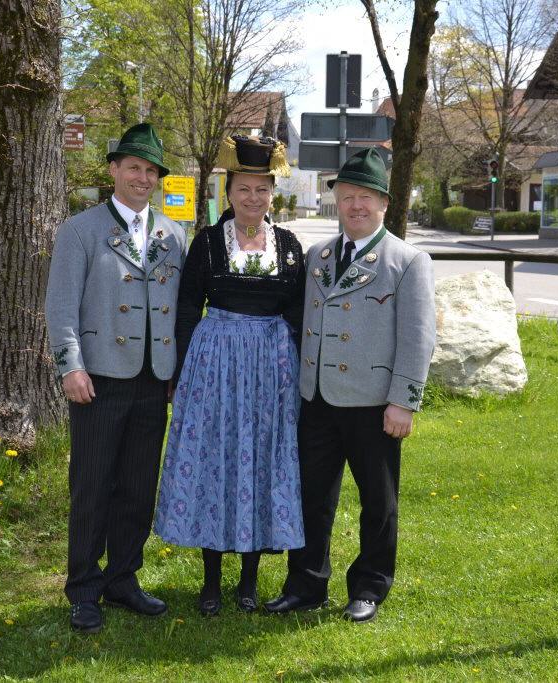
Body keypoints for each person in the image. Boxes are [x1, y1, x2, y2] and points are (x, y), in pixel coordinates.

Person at [265, 148, 436, 623]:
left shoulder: (408, 261)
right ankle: (306, 584)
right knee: (311, 497)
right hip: (317, 399)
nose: (356, 206)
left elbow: (418, 338)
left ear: (383, 202)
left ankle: (369, 587)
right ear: (335, 202)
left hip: (373, 403)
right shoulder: (318, 255)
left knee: (377, 502)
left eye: (366, 197)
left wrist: (404, 402)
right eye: (347, 197)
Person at [154, 135, 305, 616]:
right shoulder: (207, 244)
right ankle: (212, 581)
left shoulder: (289, 246)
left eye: (262, 189)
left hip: (270, 371)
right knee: (216, 463)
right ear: (229, 191)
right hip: (215, 366)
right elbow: (185, 308)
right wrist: (178, 372)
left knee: (261, 464)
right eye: (244, 189)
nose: (253, 198)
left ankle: (250, 580)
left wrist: (300, 377)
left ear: (271, 194)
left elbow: (300, 315)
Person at [45, 123, 188, 633]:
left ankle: (124, 578)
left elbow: (181, 309)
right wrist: (71, 365)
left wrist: (180, 370)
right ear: (113, 171)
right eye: (133, 168)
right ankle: (83, 588)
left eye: (151, 171)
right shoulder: (80, 230)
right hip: (99, 378)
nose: (142, 178)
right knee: (92, 485)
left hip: (155, 379)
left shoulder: (174, 234)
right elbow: (60, 305)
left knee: (136, 486)